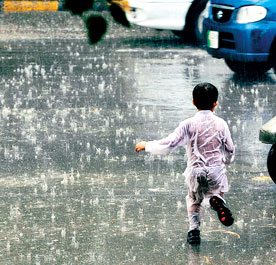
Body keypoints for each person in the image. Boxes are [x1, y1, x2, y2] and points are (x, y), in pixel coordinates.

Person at [135, 82, 235, 244]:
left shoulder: (188, 124)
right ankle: (215, 200)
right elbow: (230, 150)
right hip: (215, 170)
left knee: (194, 199)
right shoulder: (221, 124)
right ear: (215, 103)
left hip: (195, 171)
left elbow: (169, 145)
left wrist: (147, 145)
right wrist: (226, 161)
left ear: (193, 102)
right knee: (215, 193)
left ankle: (194, 231)